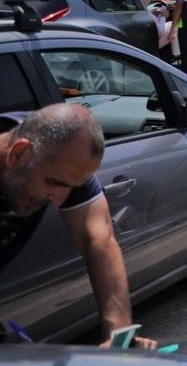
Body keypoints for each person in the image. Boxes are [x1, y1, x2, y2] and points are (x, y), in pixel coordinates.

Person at [0, 106, 155, 348]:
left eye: (71, 188)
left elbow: (100, 240)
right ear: (18, 154)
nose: (59, 200)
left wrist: (119, 337)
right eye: (53, 183)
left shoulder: (57, 157)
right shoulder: (42, 151)